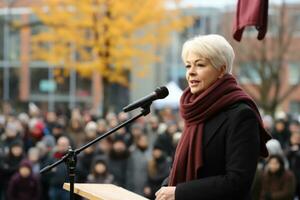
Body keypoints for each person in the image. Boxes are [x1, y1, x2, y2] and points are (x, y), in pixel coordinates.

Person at [155, 34, 272, 200]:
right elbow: (180, 165)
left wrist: (179, 192)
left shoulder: (241, 115)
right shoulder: (195, 111)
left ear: (221, 69)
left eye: (200, 65)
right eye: (188, 66)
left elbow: (237, 182)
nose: (191, 73)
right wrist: (166, 187)